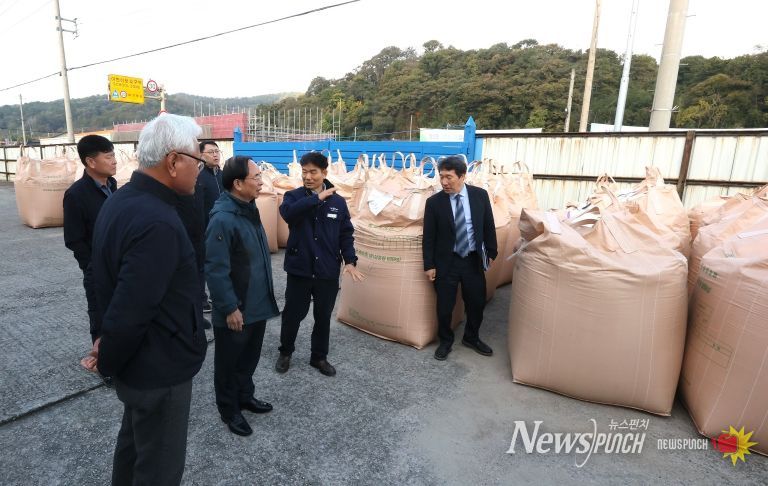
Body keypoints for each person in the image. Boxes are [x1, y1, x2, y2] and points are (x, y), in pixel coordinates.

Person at [82, 114, 208, 486]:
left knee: (135, 448)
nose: (200, 171)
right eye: (197, 161)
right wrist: (108, 357)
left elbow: (107, 284)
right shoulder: (158, 221)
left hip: (140, 364)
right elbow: (131, 309)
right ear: (173, 162)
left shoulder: (122, 199)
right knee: (159, 470)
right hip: (159, 368)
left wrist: (108, 346)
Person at [204, 156, 279, 437]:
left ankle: (245, 396)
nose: (261, 182)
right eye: (256, 178)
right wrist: (229, 307)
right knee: (228, 362)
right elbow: (215, 268)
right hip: (237, 309)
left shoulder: (249, 208)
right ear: (237, 184)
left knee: (248, 358)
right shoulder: (223, 219)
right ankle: (228, 409)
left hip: (256, 303)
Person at [275, 151, 364, 377]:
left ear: (324, 173)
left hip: (326, 270)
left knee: (323, 316)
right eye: (304, 172)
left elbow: (346, 234)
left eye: (313, 172)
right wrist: (317, 199)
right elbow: (288, 214)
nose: (308, 176)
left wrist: (350, 261)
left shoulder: (338, 203)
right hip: (300, 269)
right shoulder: (292, 197)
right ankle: (285, 352)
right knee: (293, 314)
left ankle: (319, 357)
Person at [422, 155, 497, 361]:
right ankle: (445, 340)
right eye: (441, 177)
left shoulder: (479, 196)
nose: (444, 182)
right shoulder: (434, 203)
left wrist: (491, 252)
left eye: (449, 177)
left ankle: (471, 337)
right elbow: (429, 237)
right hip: (447, 262)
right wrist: (429, 265)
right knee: (445, 306)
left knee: (476, 302)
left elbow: (488, 225)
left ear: (463, 176)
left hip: (472, 260)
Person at [63, 135, 117, 345]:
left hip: (118, 264)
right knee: (100, 314)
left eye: (114, 156)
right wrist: (91, 265)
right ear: (91, 161)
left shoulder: (112, 185)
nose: (114, 161)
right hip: (97, 268)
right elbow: (73, 239)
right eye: (109, 156)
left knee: (121, 310)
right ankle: (102, 359)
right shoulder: (76, 194)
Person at [197, 141, 223, 313]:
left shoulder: (223, 175)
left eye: (217, 151)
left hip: (223, 228)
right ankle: (201, 300)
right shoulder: (199, 177)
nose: (215, 155)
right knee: (202, 265)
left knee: (220, 263)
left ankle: (218, 295)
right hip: (205, 228)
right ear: (200, 155)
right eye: (210, 152)